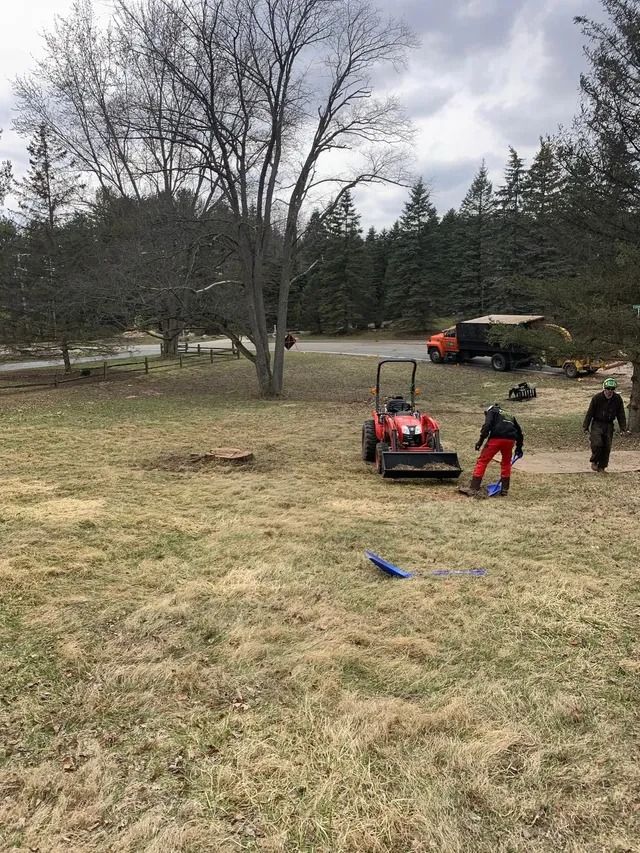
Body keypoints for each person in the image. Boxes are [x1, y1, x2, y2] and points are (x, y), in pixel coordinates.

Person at [459, 403, 524, 497]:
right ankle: (504, 489)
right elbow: (519, 431)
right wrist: (519, 447)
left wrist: (480, 441)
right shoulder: (509, 414)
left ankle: (474, 488)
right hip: (510, 440)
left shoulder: (492, 411)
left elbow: (487, 426)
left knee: (482, 461)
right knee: (506, 463)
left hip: (496, 439)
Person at [583, 377, 628, 473]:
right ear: (604, 388)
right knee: (597, 444)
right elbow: (590, 413)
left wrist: (623, 428)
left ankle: (602, 467)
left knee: (607, 446)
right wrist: (585, 426)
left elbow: (621, 414)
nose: (610, 391)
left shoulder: (617, 399)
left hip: (609, 425)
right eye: (608, 389)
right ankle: (594, 461)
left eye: (612, 389)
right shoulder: (596, 398)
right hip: (597, 424)